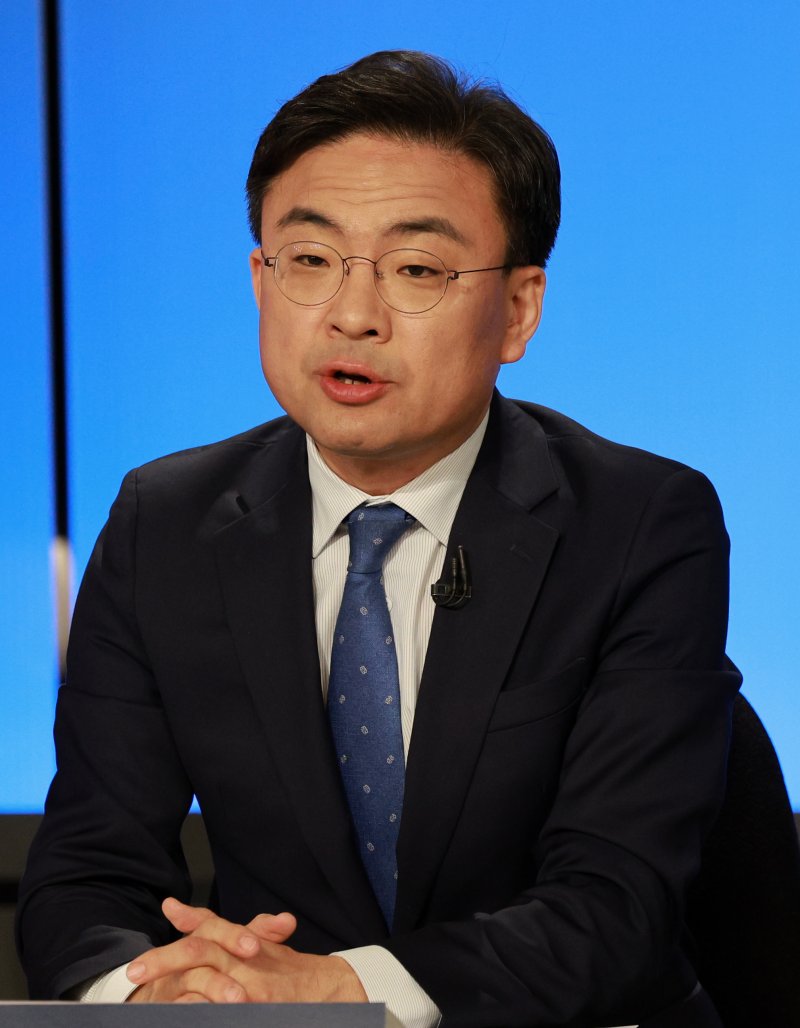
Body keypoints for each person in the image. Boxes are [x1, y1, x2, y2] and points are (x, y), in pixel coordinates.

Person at [16, 51, 740, 1027]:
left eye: (416, 270)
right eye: (309, 260)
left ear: (517, 309)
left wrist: (344, 988)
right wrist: (158, 995)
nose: (352, 316)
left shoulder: (638, 523)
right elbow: (86, 875)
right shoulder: (166, 523)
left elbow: (616, 903)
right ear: (259, 279)